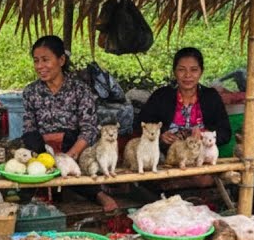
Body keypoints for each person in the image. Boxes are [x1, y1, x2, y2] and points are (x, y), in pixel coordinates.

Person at [21, 36, 117, 212]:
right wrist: (45, 148)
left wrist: (70, 154)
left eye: (45, 60)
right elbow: (29, 127)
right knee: (27, 143)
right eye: (36, 61)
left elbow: (89, 129)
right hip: (43, 149)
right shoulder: (30, 92)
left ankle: (98, 194)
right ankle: (37, 194)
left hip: (73, 145)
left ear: (61, 60)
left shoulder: (79, 89)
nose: (40, 66)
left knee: (76, 152)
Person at [137, 47, 233, 151]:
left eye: (194, 70)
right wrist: (159, 136)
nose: (187, 75)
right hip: (167, 159)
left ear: (201, 72)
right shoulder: (161, 96)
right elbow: (141, 125)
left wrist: (204, 135)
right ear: (174, 72)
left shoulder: (211, 97)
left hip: (202, 158)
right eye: (181, 70)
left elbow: (225, 133)